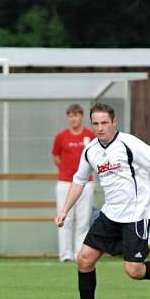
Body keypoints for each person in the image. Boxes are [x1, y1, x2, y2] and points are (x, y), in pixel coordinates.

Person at [55, 102, 150, 299]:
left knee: (133, 271)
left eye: (104, 122)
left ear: (114, 122)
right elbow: (78, 181)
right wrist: (65, 210)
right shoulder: (90, 151)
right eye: (95, 123)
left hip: (136, 214)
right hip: (110, 214)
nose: (100, 128)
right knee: (84, 259)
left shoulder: (129, 143)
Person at [52, 103, 96, 262]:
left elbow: (96, 156)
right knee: (65, 219)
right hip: (65, 183)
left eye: (76, 115)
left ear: (81, 117)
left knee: (83, 220)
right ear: (68, 117)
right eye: (71, 115)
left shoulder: (90, 136)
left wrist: (82, 174)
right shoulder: (61, 137)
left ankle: (80, 253)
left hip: (86, 183)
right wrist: (67, 170)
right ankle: (65, 254)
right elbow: (56, 157)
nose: (74, 118)